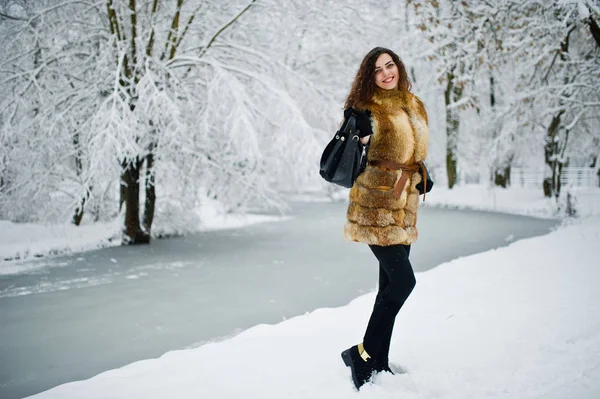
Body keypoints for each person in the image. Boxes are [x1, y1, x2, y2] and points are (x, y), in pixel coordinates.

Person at [339, 47, 429, 390]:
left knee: (388, 286)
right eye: (378, 69)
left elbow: (414, 149)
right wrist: (357, 132)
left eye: (390, 65)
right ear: (370, 76)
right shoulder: (365, 110)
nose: (386, 72)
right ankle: (362, 354)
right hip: (376, 206)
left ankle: (379, 361)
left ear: (398, 67)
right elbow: (353, 152)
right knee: (404, 282)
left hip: (404, 203)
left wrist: (422, 172)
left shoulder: (414, 103)